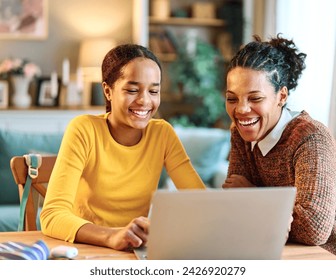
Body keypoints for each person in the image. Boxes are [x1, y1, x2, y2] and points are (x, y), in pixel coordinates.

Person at [40, 44, 206, 251]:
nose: (145, 100)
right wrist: (112, 236)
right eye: (132, 90)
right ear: (108, 91)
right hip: (87, 248)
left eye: (154, 91)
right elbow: (52, 215)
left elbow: (202, 203)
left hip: (135, 250)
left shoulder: (162, 134)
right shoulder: (84, 130)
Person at [222, 34, 336, 254]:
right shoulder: (240, 132)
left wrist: (253, 194)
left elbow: (315, 228)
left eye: (255, 98)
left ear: (281, 96)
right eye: (232, 98)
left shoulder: (310, 137)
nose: (241, 110)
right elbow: (234, 201)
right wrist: (272, 209)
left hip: (321, 257)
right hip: (269, 249)